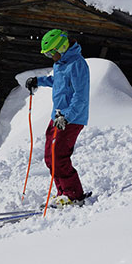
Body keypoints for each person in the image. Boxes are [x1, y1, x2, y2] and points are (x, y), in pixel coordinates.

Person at [24, 29, 90, 207]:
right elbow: (58, 82)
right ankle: (62, 192)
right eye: (48, 54)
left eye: (52, 52)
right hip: (58, 116)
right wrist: (39, 81)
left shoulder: (77, 64)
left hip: (71, 118)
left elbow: (80, 96)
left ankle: (73, 195)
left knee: (59, 156)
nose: (51, 56)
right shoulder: (61, 63)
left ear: (62, 47)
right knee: (49, 156)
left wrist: (67, 117)